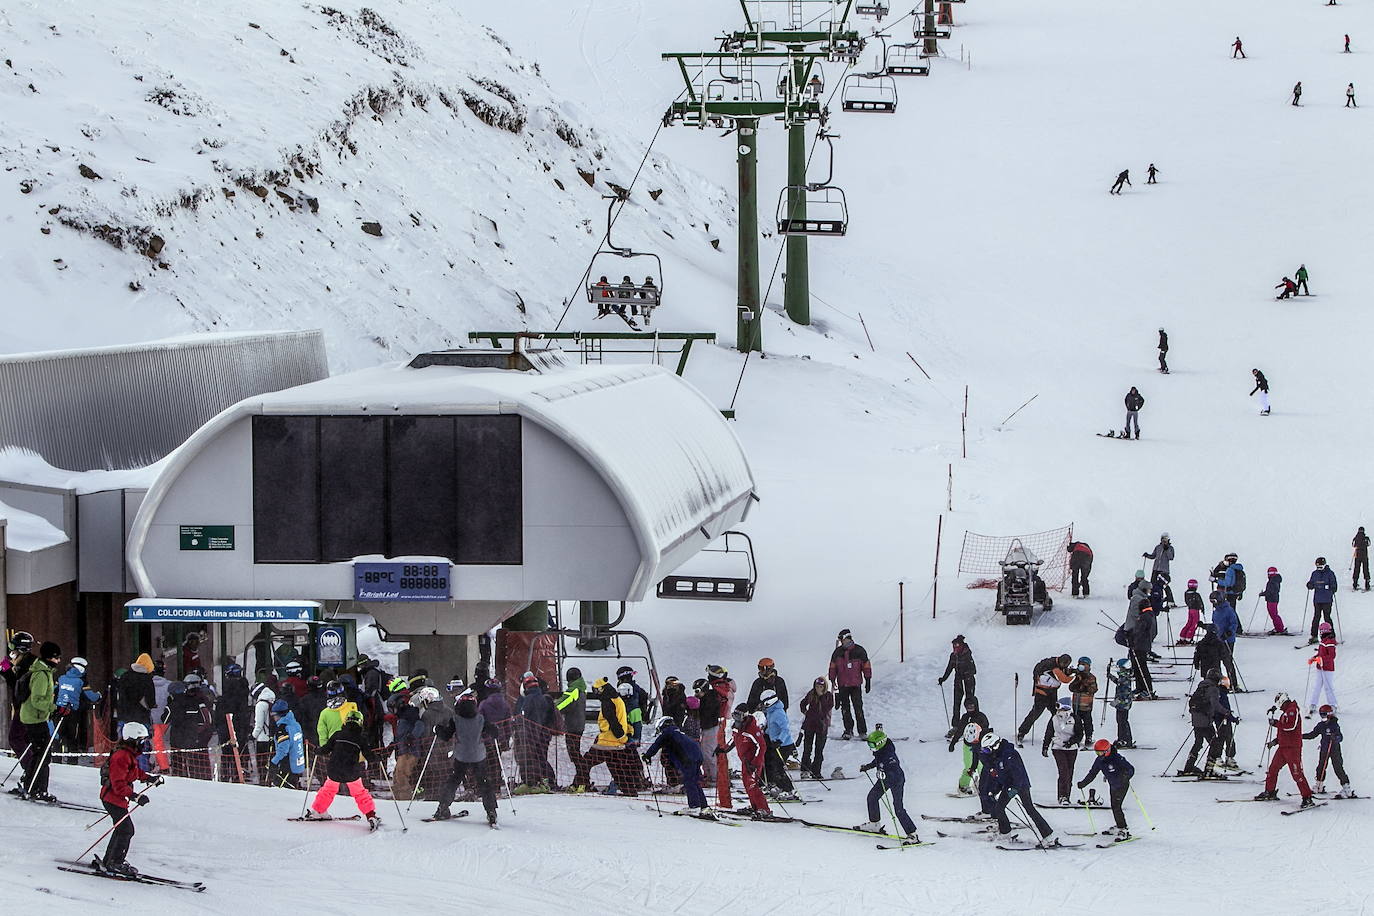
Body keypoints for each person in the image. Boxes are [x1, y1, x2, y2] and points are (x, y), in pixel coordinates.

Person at [98, 722, 162, 876]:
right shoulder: (121, 756)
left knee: (122, 829)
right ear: (132, 740)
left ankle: (110, 860)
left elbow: (134, 772)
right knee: (126, 830)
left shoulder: (128, 755)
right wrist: (136, 796)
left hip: (116, 798)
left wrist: (149, 778)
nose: (144, 744)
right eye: (141, 741)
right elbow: (118, 784)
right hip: (112, 798)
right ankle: (116, 863)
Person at [432, 689, 499, 826]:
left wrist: (437, 729)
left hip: (461, 756)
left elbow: (445, 736)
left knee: (454, 781)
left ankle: (443, 808)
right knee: (484, 783)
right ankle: (491, 811)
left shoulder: (455, 719)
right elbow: (494, 732)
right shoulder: (481, 719)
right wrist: (494, 730)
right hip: (478, 755)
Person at [979, 732, 1059, 846]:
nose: (987, 753)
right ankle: (1005, 833)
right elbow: (1001, 775)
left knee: (1029, 809)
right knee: (998, 808)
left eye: (987, 750)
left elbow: (1018, 775)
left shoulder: (1010, 755)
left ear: (995, 745)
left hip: (1021, 784)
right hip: (1008, 784)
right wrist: (995, 790)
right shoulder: (996, 755)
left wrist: (1014, 789)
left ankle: (1048, 836)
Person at [306, 709, 380, 826]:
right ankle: (370, 815)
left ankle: (318, 811)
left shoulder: (337, 734)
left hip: (334, 769)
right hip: (351, 772)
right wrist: (377, 758)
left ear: (345, 721)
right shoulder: (360, 738)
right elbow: (369, 755)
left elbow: (325, 749)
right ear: (360, 723)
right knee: (360, 793)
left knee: (328, 790)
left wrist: (317, 750)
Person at [572, 678, 643, 796]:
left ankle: (580, 785)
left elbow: (613, 720)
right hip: (618, 743)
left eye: (596, 691)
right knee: (616, 768)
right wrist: (624, 736)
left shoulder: (607, 702)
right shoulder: (618, 700)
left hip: (606, 742)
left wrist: (619, 733)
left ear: (601, 690)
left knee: (585, 763)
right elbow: (623, 719)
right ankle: (629, 790)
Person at [855, 728, 920, 842]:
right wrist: (868, 767)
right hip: (884, 778)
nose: (871, 748)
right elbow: (878, 761)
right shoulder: (881, 751)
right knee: (872, 798)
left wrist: (885, 774)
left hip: (896, 780)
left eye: (873, 745)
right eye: (869, 745)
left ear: (880, 743)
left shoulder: (890, 756)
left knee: (898, 808)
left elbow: (893, 768)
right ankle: (874, 824)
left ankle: (912, 834)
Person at [19, 641, 61, 800]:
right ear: (51, 657)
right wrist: (54, 707)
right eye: (57, 657)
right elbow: (37, 700)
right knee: (44, 755)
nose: (58, 661)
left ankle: (31, 786)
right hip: (34, 719)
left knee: (39, 753)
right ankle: (37, 789)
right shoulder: (42, 674)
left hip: (34, 717)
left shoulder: (43, 670)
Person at [1256, 693, 1314, 806]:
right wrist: (1275, 741)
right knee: (1273, 769)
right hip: (1283, 747)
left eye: (1278, 702)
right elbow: (1284, 731)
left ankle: (1307, 797)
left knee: (1297, 773)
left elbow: (1290, 726)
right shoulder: (1286, 712)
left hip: (1292, 749)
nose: (1278, 706)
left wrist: (1276, 723)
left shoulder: (1292, 710)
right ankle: (1270, 791)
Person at [643, 716, 708, 814]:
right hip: (697, 756)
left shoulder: (668, 733)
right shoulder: (678, 733)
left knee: (689, 781)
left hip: (688, 758)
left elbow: (657, 744)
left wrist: (647, 755)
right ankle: (703, 806)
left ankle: (694, 806)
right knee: (695, 782)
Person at [719, 704, 771, 817]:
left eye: (739, 715)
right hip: (745, 761)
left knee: (752, 785)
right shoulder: (737, 726)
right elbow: (734, 739)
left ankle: (764, 809)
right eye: (735, 715)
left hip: (753, 762)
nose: (736, 718)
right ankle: (755, 806)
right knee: (747, 784)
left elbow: (761, 746)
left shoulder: (752, 729)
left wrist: (755, 763)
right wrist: (724, 749)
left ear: (745, 716)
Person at [1078, 740, 1136, 841]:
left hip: (1122, 785)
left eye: (1101, 752)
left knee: (1116, 807)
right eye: (1097, 752)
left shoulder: (1117, 758)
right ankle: (1119, 826)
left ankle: (1124, 830)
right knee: (1114, 806)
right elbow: (1092, 773)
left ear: (1107, 750)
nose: (1099, 755)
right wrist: (1083, 783)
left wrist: (1126, 776)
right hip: (1113, 785)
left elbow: (1131, 769)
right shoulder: (1099, 761)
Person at [1179, 668, 1227, 777]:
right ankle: (1209, 770)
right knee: (1215, 744)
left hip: (1196, 719)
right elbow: (1215, 705)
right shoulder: (1213, 689)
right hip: (1205, 721)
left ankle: (1189, 767)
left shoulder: (1201, 686)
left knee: (1198, 743)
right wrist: (1226, 712)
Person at [1016, 654, 1074, 745]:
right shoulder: (1052, 665)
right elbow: (1064, 679)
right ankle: (1022, 732)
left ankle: (1023, 732)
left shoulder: (1053, 663)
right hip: (1043, 692)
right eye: (1064, 665)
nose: (1064, 666)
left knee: (1054, 714)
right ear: (1061, 662)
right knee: (1037, 713)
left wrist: (1069, 671)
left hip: (1049, 691)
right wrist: (1075, 675)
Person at [163, 676, 213, 780]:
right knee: (192, 761)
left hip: (177, 737)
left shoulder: (172, 705)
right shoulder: (194, 702)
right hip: (191, 735)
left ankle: (179, 778)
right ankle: (194, 778)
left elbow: (165, 719)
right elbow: (201, 718)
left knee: (178, 761)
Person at [514, 674, 556, 790]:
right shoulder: (543, 698)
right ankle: (542, 780)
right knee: (540, 758)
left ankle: (543, 781)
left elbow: (524, 716)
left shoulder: (530, 699)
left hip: (532, 734)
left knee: (536, 758)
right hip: (541, 733)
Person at [828, 629, 871, 740]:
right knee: (845, 709)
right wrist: (832, 679)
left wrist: (868, 679)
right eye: (841, 640)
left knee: (858, 708)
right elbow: (832, 667)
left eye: (843, 639)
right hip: (842, 685)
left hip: (855, 684)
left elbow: (866, 665)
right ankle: (848, 730)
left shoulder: (859, 651)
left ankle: (862, 731)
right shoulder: (837, 652)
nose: (842, 642)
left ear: (848, 638)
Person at [54, 656, 100, 755]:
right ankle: (72, 759)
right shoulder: (81, 682)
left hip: (59, 709)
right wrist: (99, 696)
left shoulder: (61, 678)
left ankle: (56, 757)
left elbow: (54, 690)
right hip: (73, 711)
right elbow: (92, 696)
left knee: (58, 733)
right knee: (72, 735)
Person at [1304, 705, 1353, 797]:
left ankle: (1347, 788)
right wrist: (1300, 736)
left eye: (1324, 714)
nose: (1322, 717)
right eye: (1321, 715)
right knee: (1321, 767)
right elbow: (1312, 735)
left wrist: (1335, 737)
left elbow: (1340, 737)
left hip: (1334, 749)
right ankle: (1319, 786)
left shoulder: (1334, 725)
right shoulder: (1321, 725)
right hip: (1324, 750)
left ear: (1329, 714)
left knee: (1338, 768)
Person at [758, 689, 796, 798]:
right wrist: (764, 733)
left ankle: (789, 790)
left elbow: (785, 729)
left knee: (778, 767)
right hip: (775, 743)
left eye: (764, 703)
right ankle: (777, 785)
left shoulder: (778, 712)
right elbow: (772, 727)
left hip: (783, 745)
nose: (763, 705)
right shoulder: (771, 712)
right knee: (771, 765)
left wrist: (780, 740)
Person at [937, 635, 976, 732]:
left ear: (962, 646)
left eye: (957, 646)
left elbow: (974, 670)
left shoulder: (967, 655)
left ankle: (971, 723)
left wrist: (967, 673)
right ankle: (956, 726)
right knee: (956, 702)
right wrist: (943, 678)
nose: (955, 648)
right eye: (954, 646)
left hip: (968, 680)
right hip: (958, 680)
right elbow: (949, 668)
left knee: (969, 702)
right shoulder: (953, 656)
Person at [1043, 697, 1078, 805]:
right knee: (1064, 772)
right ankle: (1062, 796)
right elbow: (1049, 732)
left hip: (1071, 749)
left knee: (1070, 772)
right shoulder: (1054, 719)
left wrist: (1071, 742)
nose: (1058, 710)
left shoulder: (1074, 718)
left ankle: (1067, 796)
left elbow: (1080, 734)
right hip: (1058, 747)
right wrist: (1045, 746)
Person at [949, 698, 988, 795]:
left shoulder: (981, 717)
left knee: (982, 766)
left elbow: (987, 730)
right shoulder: (965, 717)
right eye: (967, 707)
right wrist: (953, 743)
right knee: (969, 766)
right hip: (968, 746)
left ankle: (983, 785)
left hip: (980, 745)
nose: (970, 709)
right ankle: (963, 785)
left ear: (976, 705)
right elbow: (960, 730)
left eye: (972, 706)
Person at [555, 666, 588, 775]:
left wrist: (550, 706)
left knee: (574, 753)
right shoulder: (581, 688)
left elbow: (562, 704)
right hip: (578, 724)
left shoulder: (574, 690)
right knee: (575, 752)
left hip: (573, 726)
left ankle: (582, 777)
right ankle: (581, 777)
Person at [798, 677, 833, 780]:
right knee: (807, 748)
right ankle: (804, 770)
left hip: (821, 726)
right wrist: (806, 712)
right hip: (810, 724)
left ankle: (816, 771)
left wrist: (820, 714)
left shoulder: (828, 696)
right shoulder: (811, 694)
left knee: (819, 749)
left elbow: (829, 707)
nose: (818, 688)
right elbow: (803, 703)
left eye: (821, 687)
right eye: (817, 686)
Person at [269, 698, 305, 788]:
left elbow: (283, 750)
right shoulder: (295, 724)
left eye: (274, 715)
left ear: (280, 715)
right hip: (297, 764)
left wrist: (273, 762)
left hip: (287, 766)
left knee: (284, 793)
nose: (274, 718)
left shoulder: (283, 728)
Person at [692, 677, 722, 785]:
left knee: (709, 753)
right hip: (705, 728)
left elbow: (707, 714)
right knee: (704, 753)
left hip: (711, 728)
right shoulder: (704, 700)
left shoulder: (711, 700)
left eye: (697, 691)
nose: (696, 694)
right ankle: (708, 775)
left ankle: (715, 777)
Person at [116, 653, 156, 734]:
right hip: (140, 716)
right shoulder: (147, 679)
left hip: (124, 715)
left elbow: (120, 694)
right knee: (142, 738)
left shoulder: (125, 676)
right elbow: (150, 700)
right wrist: (152, 705)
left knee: (125, 740)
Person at [1210, 590, 1241, 689]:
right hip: (1218, 640)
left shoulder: (1228, 610)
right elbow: (1215, 624)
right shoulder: (1215, 611)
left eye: (1214, 601)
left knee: (1228, 662)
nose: (1213, 604)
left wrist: (1228, 632)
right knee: (1215, 662)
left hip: (1228, 641)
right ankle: (1219, 683)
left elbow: (1234, 623)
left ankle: (1233, 684)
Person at [250, 678, 277, 785]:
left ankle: (263, 781)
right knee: (271, 761)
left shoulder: (261, 704)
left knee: (261, 762)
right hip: (273, 736)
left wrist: (253, 736)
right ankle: (271, 780)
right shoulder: (273, 699)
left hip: (262, 738)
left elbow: (259, 724)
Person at [1308, 622, 1339, 713]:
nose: (1320, 633)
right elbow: (1320, 654)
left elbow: (1332, 656)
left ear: (1324, 631)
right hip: (1320, 668)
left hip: (1328, 669)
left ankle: (1333, 705)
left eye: (1320, 631)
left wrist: (1321, 659)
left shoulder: (1329, 642)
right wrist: (1314, 658)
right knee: (1317, 686)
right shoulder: (1323, 641)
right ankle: (1313, 704)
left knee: (1328, 687)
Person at [1306, 557, 1338, 643]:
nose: (1319, 568)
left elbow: (1334, 585)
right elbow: (1312, 583)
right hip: (1317, 599)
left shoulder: (1330, 573)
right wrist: (1309, 585)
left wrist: (1332, 588)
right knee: (1316, 617)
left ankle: (1331, 636)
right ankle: (1314, 636)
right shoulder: (1314, 573)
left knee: (1327, 617)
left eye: (1320, 567)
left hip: (1327, 600)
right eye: (1317, 567)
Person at [1106, 658, 1135, 747]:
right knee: (1120, 721)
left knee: (1122, 721)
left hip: (1123, 703)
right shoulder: (1124, 675)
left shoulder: (1125, 676)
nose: (1119, 669)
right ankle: (1121, 738)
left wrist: (1110, 675)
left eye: (1120, 667)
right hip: (1121, 703)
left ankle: (1125, 740)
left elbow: (1119, 682)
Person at [1069, 657, 1098, 747]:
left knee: (1087, 722)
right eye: (1080, 664)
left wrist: (1085, 684)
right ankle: (1077, 737)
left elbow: (1093, 689)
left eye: (1084, 664)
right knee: (1076, 722)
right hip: (1076, 704)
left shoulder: (1091, 677)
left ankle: (1088, 737)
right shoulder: (1077, 676)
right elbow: (1071, 688)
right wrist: (1077, 681)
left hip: (1086, 705)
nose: (1081, 666)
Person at [1260, 567, 1288, 635]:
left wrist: (1263, 594)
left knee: (1274, 614)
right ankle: (1278, 628)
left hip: (1272, 600)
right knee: (1273, 614)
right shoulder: (1275, 580)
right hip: (1273, 599)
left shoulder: (1273, 581)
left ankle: (1280, 628)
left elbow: (1271, 591)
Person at [1177, 578, 1203, 644]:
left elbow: (1186, 601)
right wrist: (1202, 608)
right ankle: (1189, 638)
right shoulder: (1196, 594)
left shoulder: (1186, 593)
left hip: (1190, 609)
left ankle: (1182, 636)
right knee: (1194, 624)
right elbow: (1200, 602)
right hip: (1195, 610)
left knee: (1189, 623)